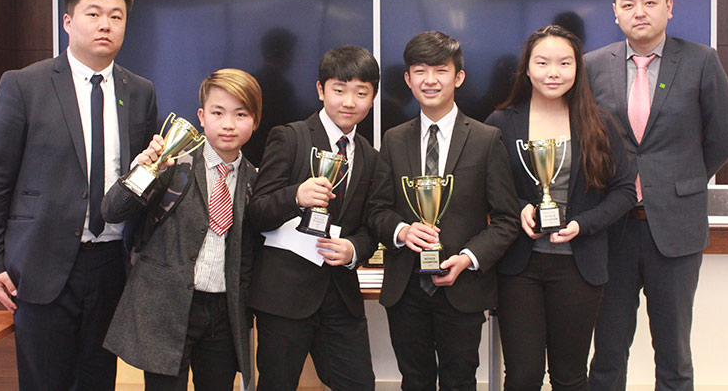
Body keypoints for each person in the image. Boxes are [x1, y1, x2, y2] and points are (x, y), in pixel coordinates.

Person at [0, 0, 157, 389]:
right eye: (94, 14)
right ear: (68, 21)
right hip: (41, 262)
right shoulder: (24, 85)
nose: (105, 24)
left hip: (111, 262)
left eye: (116, 16)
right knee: (44, 381)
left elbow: (139, 179)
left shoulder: (140, 91)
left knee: (98, 379)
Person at [587, 0, 728, 390]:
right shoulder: (593, 65)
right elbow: (586, 140)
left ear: (669, 7)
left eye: (650, 2)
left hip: (675, 230)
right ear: (615, 12)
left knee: (673, 354)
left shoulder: (701, 61)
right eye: (628, 4)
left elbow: (723, 140)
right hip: (612, 229)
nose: (639, 12)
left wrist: (678, 183)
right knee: (607, 352)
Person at [484, 25, 636, 390]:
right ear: (527, 68)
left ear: (578, 68)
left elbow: (624, 191)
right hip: (519, 266)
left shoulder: (599, 123)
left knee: (569, 376)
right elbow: (486, 188)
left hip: (578, 265)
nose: (553, 72)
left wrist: (584, 224)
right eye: (542, 62)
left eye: (564, 63)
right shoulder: (501, 123)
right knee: (522, 375)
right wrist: (519, 206)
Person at [367, 30, 520, 390]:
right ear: (408, 79)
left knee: (459, 381)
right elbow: (376, 210)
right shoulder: (393, 139)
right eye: (420, 71)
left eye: (440, 70)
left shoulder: (486, 139)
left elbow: (506, 219)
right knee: (414, 381)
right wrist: (402, 231)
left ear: (458, 77)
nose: (430, 80)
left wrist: (468, 258)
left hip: (462, 286)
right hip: (406, 287)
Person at [101, 68, 261, 390]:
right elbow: (113, 211)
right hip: (165, 307)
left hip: (223, 314)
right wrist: (145, 169)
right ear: (201, 117)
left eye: (241, 114)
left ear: (255, 121)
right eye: (218, 112)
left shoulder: (255, 180)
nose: (228, 124)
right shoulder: (174, 163)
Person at [247, 45, 380, 391]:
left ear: (373, 98)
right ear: (321, 90)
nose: (349, 102)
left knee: (360, 384)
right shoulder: (289, 137)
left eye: (361, 92)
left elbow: (370, 226)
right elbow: (257, 212)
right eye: (339, 90)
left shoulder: (370, 156)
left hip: (341, 298)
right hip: (283, 296)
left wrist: (354, 250)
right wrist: (295, 196)